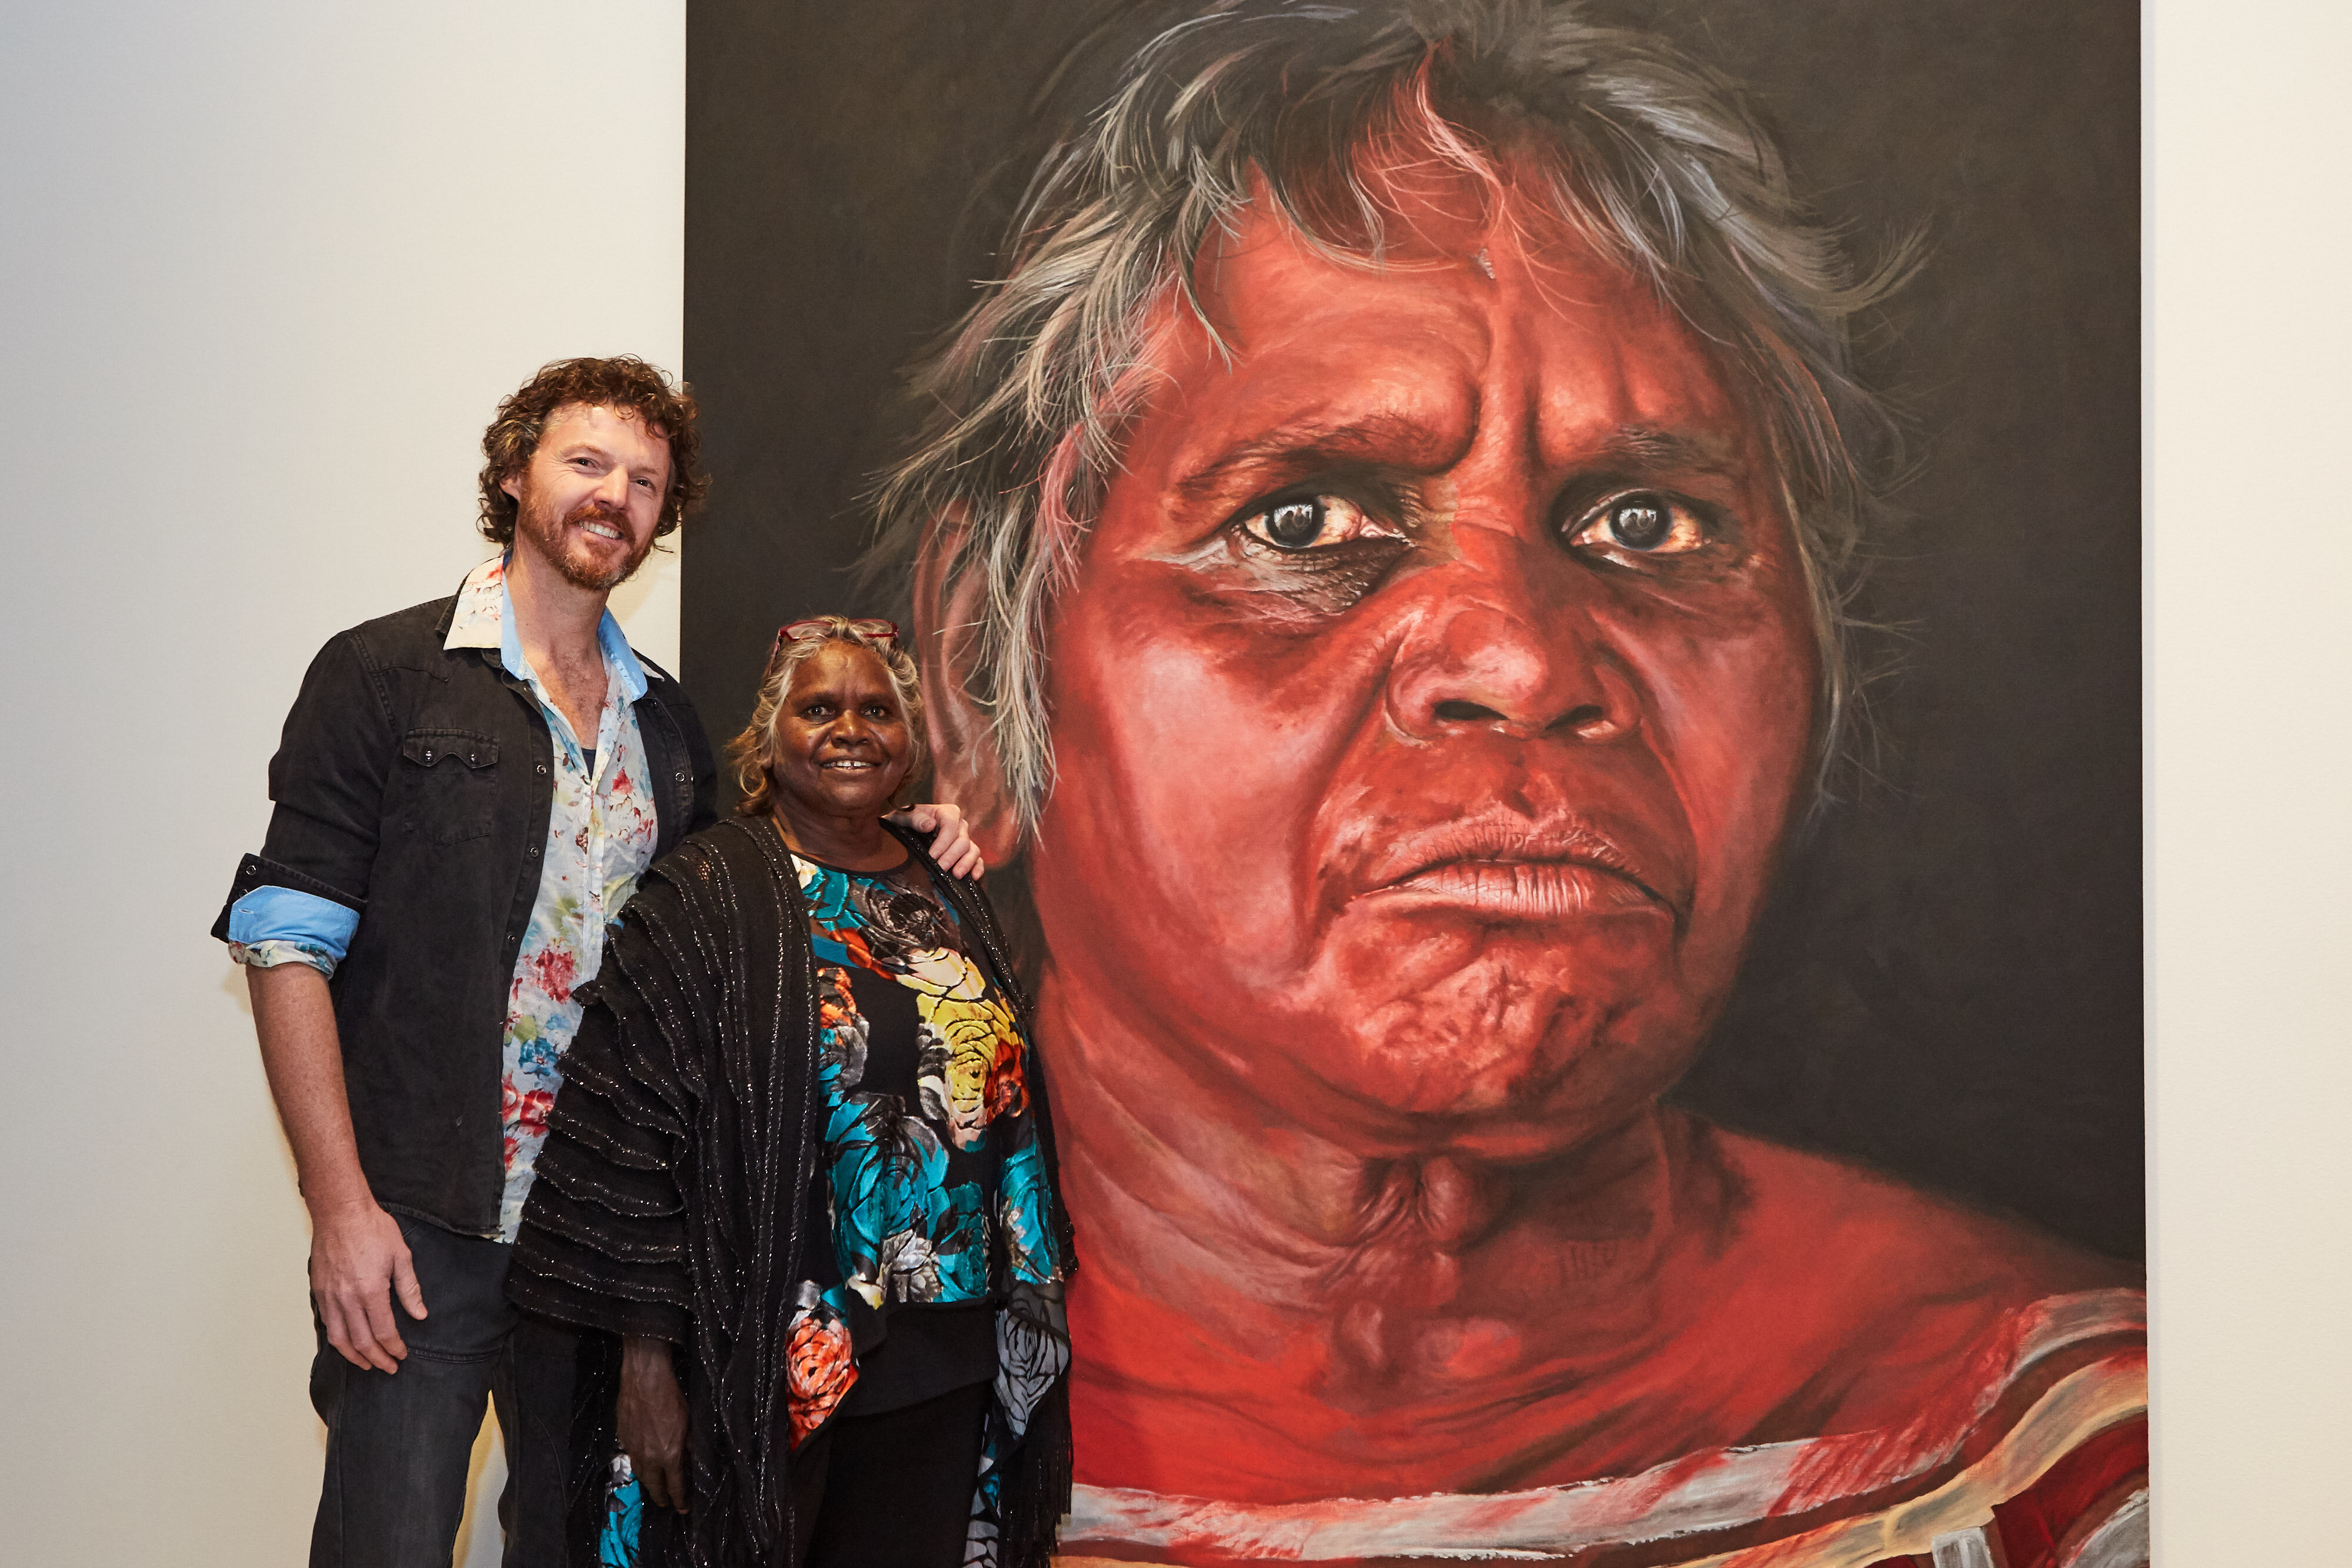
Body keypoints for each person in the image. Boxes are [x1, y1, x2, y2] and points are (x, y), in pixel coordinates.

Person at [862, 5, 2147, 1564]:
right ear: (970, 683)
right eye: (1307, 520)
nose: (1524, 657)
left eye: (1648, 524)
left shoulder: (2092, 1461)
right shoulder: (781, 1426)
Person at [216, 359, 981, 1568]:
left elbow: (750, 911)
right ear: (514, 471)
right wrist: (340, 1208)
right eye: (586, 463)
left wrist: (914, 843)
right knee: (389, 1543)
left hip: (596, 1244)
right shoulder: (383, 676)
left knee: (582, 1549)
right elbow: (282, 945)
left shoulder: (665, 726)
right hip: (420, 1225)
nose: (612, 497)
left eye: (644, 481)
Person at [506, 616, 1075, 1568]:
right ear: (769, 739)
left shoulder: (952, 889)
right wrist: (645, 1370)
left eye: (876, 710)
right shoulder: (704, 895)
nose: (851, 728)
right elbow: (628, 1144)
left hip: (949, 1354)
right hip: (774, 1363)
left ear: (910, 743)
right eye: (819, 708)